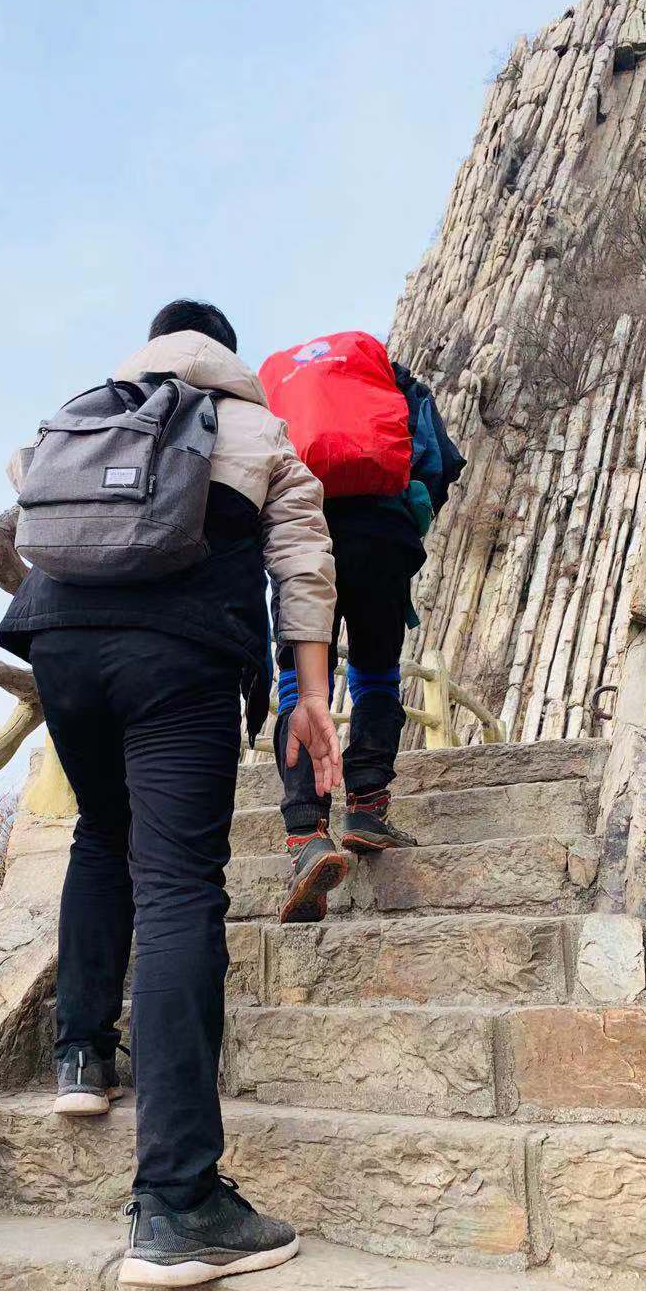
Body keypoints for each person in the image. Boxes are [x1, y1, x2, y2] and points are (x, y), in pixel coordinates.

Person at [0, 299, 339, 1287]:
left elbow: (24, 488)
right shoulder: (258, 428)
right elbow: (302, 561)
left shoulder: (86, 409)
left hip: (58, 648)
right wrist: (310, 696)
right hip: (181, 655)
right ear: (228, 355)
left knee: (102, 835)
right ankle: (179, 1201)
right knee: (181, 887)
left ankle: (81, 1054)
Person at [259, 331, 464, 925]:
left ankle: (306, 834)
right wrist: (410, 514)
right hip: (380, 532)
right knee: (375, 673)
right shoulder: (390, 379)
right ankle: (368, 808)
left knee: (299, 687)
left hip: (300, 537)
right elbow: (437, 458)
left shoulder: (276, 387)